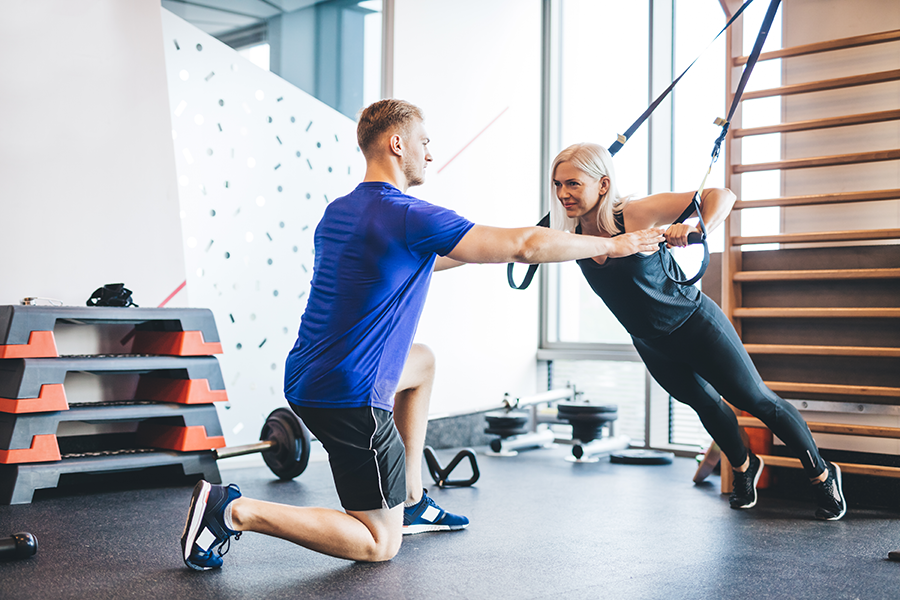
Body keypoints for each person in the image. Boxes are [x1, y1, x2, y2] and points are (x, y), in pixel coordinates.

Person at [180, 101, 666, 571]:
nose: (429, 153)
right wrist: (613, 243)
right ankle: (233, 511)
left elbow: (437, 255)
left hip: (308, 376)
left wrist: (494, 246)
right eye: (424, 142)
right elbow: (522, 246)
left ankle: (409, 498)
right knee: (378, 543)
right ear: (397, 143)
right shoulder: (409, 214)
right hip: (351, 395)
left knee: (423, 361)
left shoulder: (342, 213)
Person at [547, 141, 847, 521]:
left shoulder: (635, 213)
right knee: (704, 405)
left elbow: (721, 195)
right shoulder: (569, 232)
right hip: (651, 342)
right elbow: (522, 246)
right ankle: (743, 468)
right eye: (557, 185)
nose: (562, 194)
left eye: (572, 184)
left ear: (603, 185)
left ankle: (821, 473)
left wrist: (695, 227)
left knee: (756, 399)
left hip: (695, 324)